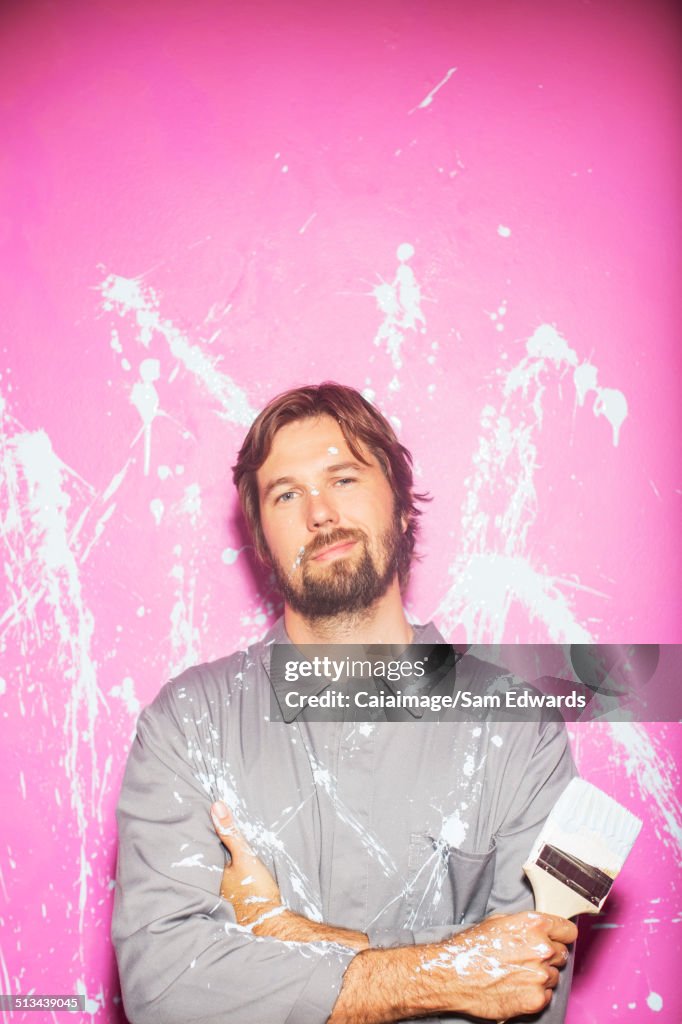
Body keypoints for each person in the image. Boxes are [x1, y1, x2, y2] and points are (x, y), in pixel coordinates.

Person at [113, 382, 578, 1023]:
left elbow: (528, 995)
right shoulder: (188, 724)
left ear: (402, 506)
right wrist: (449, 970)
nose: (320, 513)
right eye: (286, 494)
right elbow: (163, 990)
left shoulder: (522, 731)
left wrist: (293, 937)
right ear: (261, 538)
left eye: (344, 478)